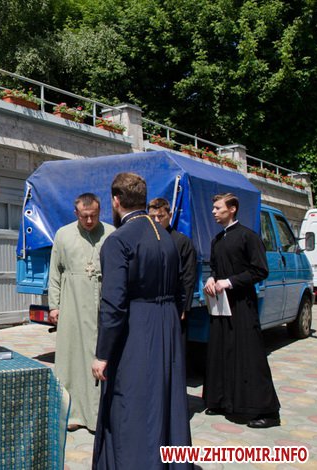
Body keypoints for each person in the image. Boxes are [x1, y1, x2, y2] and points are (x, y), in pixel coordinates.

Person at [92, 173, 192, 469]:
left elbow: (114, 303)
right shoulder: (167, 237)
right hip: (167, 325)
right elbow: (179, 288)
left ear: (116, 200)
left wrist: (102, 353)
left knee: (132, 404)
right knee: (166, 400)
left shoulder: (118, 240)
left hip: (136, 328)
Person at [203, 193, 280, 428]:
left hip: (243, 306)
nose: (214, 212)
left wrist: (230, 282)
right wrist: (212, 279)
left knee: (250, 356)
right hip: (222, 306)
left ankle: (267, 411)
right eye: (213, 208)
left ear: (232, 209)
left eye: (218, 208)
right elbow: (215, 267)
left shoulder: (248, 236)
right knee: (221, 351)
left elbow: (260, 270)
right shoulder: (217, 240)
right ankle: (222, 401)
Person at [47, 193, 114, 432]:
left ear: (100, 212)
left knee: (98, 356)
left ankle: (96, 415)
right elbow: (55, 272)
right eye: (84, 216)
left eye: (93, 216)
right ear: (76, 213)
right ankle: (71, 413)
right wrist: (54, 305)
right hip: (72, 302)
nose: (89, 221)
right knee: (71, 357)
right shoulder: (63, 234)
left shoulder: (111, 233)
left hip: (101, 303)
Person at [148, 197, 198, 340]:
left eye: (161, 216)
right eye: (152, 217)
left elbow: (188, 276)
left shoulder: (181, 242)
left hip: (174, 302)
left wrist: (184, 306)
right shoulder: (145, 240)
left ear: (170, 216)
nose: (156, 220)